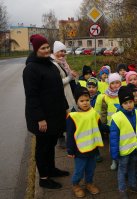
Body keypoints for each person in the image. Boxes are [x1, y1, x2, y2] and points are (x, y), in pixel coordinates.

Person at [23, 34, 69, 189]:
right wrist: (40, 119)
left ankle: (51, 170)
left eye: (47, 47)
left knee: (51, 144)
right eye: (42, 48)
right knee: (43, 148)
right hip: (42, 117)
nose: (46, 50)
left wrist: (65, 108)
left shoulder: (50, 63)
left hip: (55, 113)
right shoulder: (31, 69)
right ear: (36, 50)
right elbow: (32, 97)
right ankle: (43, 178)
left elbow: (58, 89)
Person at [66, 87, 103, 198]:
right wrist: (70, 150)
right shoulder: (73, 116)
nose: (85, 103)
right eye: (81, 101)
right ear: (76, 102)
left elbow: (100, 127)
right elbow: (70, 135)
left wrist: (112, 128)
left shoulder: (93, 113)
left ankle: (89, 183)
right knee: (79, 169)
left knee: (91, 168)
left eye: (87, 100)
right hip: (79, 150)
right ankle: (76, 184)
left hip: (92, 148)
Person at [110, 85, 137, 199]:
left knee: (133, 168)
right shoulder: (117, 117)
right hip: (123, 151)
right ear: (121, 104)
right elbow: (114, 138)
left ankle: (133, 185)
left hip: (135, 149)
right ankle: (122, 189)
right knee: (122, 170)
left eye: (130, 101)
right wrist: (114, 154)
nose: (129, 105)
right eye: (125, 103)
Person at [51, 41, 77, 148]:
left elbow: (68, 73)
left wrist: (72, 75)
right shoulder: (54, 64)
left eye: (64, 51)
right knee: (62, 116)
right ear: (55, 51)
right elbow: (57, 82)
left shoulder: (63, 62)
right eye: (60, 51)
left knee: (69, 114)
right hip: (61, 94)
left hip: (68, 91)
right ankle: (61, 139)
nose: (62, 53)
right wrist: (70, 77)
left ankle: (71, 136)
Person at [94, 73, 122, 170]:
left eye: (117, 82)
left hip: (122, 124)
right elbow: (101, 111)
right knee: (113, 143)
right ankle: (114, 160)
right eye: (112, 83)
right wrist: (101, 123)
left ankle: (122, 160)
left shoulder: (123, 94)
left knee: (122, 142)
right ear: (109, 84)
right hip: (111, 125)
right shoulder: (105, 96)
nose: (115, 85)